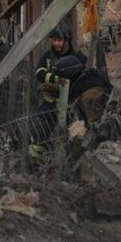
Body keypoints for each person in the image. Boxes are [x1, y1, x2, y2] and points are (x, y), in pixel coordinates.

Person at [30, 25, 84, 157]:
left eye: (59, 40)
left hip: (71, 105)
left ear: (67, 40)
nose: (55, 43)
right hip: (50, 102)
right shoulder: (48, 56)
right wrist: (55, 79)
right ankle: (35, 161)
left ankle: (69, 161)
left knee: (72, 136)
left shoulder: (77, 57)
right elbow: (39, 73)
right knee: (40, 131)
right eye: (53, 40)